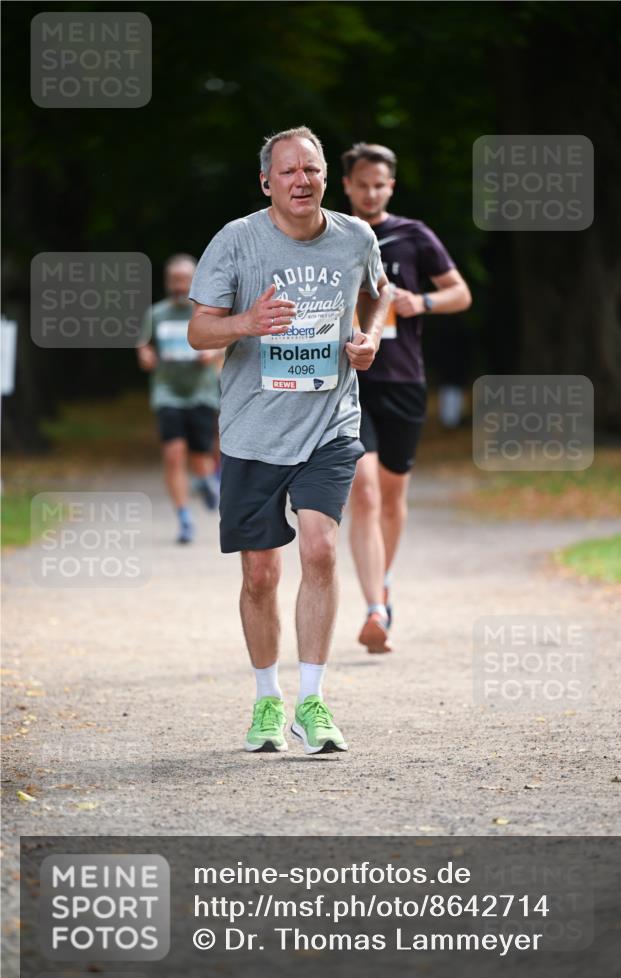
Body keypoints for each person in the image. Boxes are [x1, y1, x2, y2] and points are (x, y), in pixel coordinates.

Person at [188, 126, 391, 754]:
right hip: (252, 429)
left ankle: (312, 700)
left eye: (312, 169)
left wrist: (369, 337)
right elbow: (199, 331)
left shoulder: (356, 237)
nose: (301, 181)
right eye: (288, 171)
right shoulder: (237, 240)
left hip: (330, 422)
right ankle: (266, 700)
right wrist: (248, 322)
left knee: (321, 550)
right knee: (260, 574)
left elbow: (378, 293)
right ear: (266, 182)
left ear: (326, 177)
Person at [341, 142, 472, 653]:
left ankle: (384, 580)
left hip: (402, 381)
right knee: (365, 491)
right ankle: (375, 607)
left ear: (391, 186)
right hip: (349, 383)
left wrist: (423, 301)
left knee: (393, 497)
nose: (371, 193)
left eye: (380, 185)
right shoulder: (333, 235)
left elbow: (461, 292)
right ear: (346, 185)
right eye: (362, 184)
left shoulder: (413, 235)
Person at [137, 254, 223, 544]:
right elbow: (144, 346)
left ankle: (206, 481)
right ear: (167, 282)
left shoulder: (207, 313)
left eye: (184, 280)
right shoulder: (156, 314)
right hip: (167, 393)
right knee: (173, 455)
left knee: (200, 457)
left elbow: (226, 345)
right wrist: (146, 356)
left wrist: (212, 353)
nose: (179, 286)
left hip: (201, 392)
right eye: (174, 280)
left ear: (195, 281)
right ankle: (184, 518)